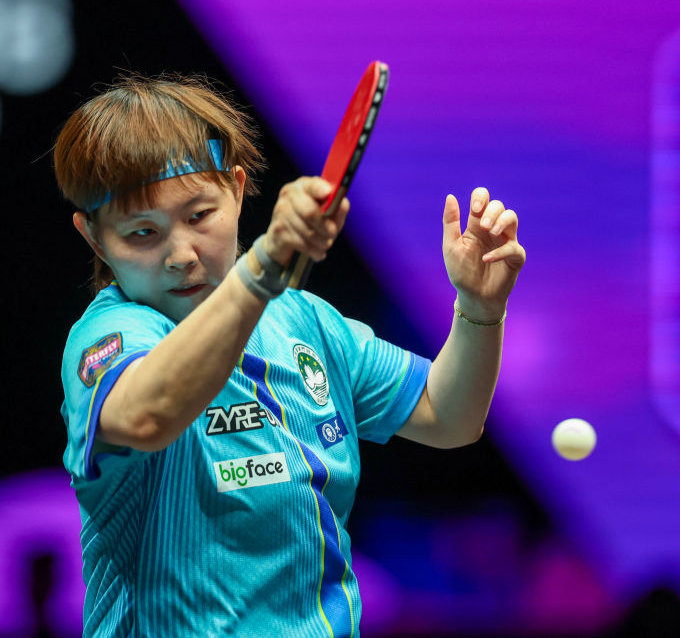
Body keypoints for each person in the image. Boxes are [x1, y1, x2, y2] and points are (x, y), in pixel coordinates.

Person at [56, 74, 525, 636]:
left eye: (199, 216)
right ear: (94, 237)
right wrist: (263, 266)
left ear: (236, 189)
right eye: (142, 233)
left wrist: (479, 308)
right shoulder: (110, 337)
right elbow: (145, 417)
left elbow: (449, 416)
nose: (181, 255)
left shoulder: (307, 324)